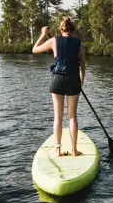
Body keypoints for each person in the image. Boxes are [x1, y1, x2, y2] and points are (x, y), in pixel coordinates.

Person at [32, 16, 86, 157]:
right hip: (73, 80)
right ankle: (74, 150)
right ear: (72, 29)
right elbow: (82, 66)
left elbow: (34, 49)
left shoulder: (53, 41)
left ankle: (57, 150)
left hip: (57, 80)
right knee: (72, 117)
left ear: (61, 28)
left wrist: (43, 34)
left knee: (58, 116)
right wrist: (81, 82)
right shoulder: (79, 44)